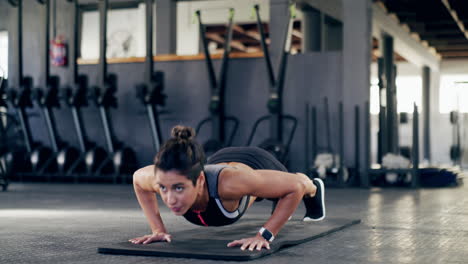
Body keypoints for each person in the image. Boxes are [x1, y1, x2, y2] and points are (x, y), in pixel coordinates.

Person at [129, 125, 326, 251]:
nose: (170, 199)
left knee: (298, 185)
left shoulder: (231, 184)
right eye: (163, 188)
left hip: (254, 162)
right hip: (222, 161)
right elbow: (138, 179)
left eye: (179, 189)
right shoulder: (159, 177)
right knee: (273, 197)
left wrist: (264, 234)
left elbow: (295, 188)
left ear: (199, 181)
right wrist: (158, 230)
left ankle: (315, 187)